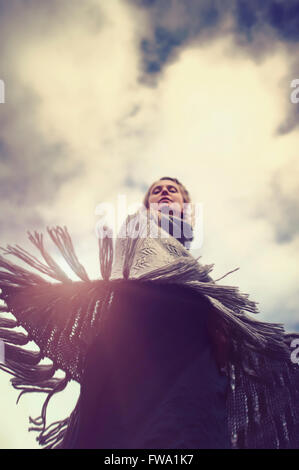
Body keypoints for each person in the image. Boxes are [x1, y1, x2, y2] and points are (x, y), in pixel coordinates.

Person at [0, 177, 298, 449]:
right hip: (132, 346)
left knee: (189, 431)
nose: (165, 191)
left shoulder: (190, 269)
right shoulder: (139, 229)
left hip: (194, 359)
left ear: (187, 208)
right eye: (156, 190)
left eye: (173, 190)